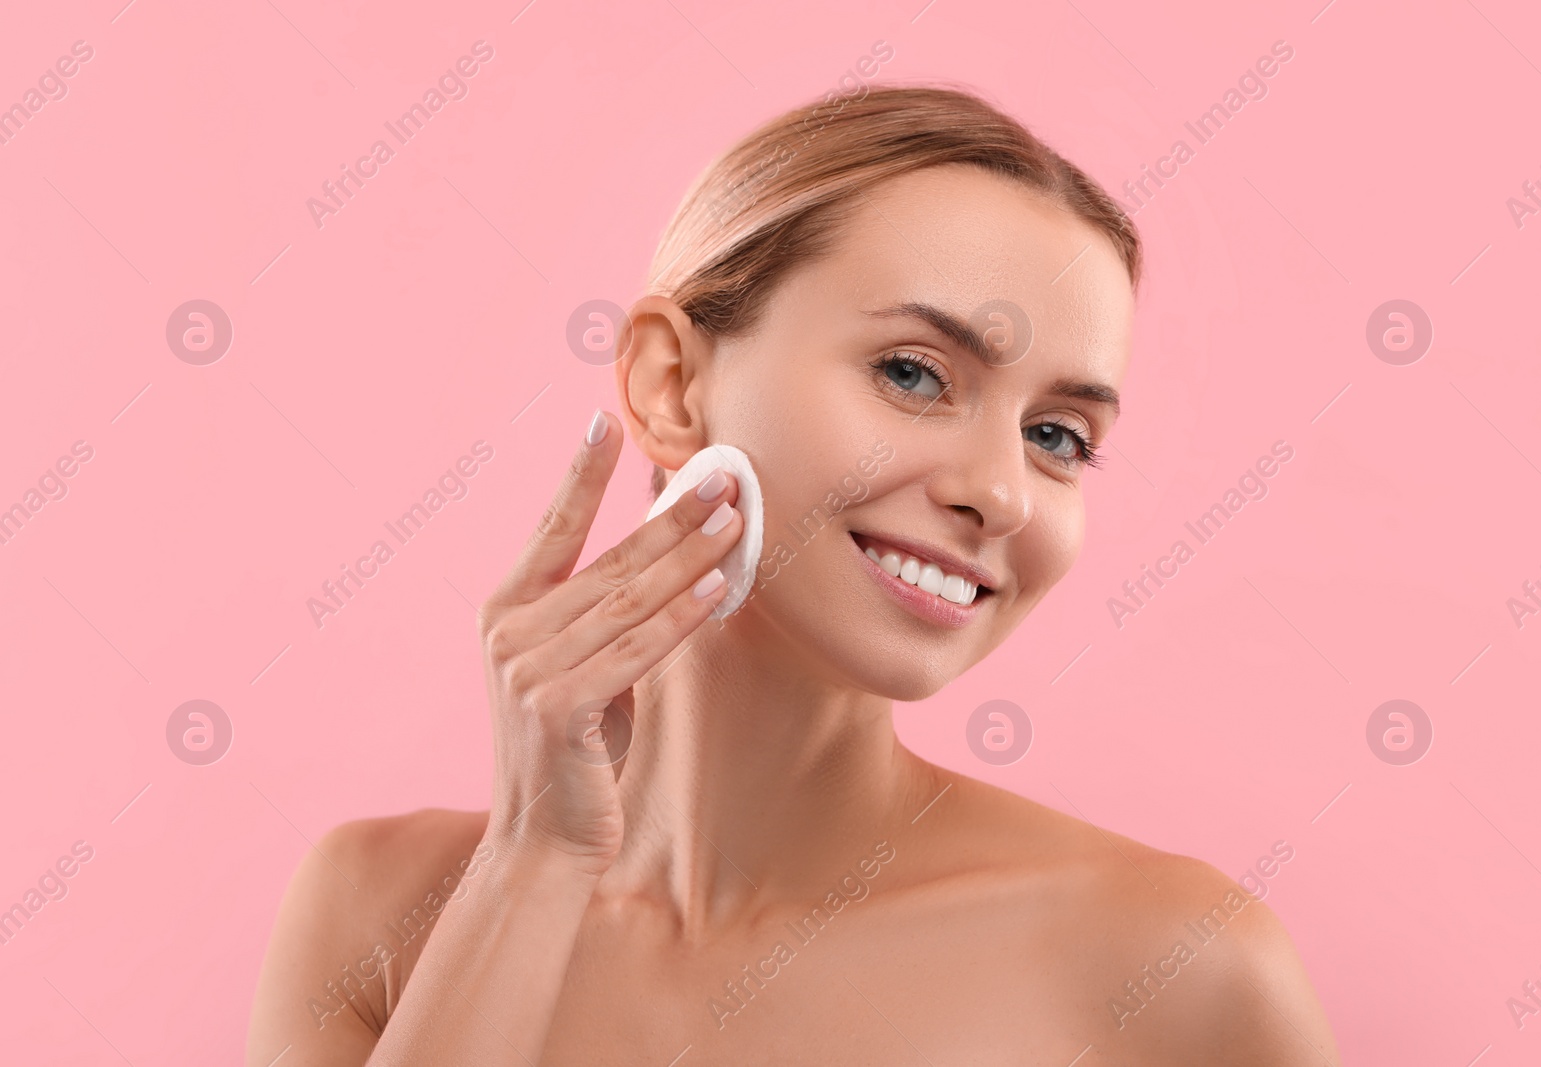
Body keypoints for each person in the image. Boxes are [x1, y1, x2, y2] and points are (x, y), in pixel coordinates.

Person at [247, 82, 1341, 1065]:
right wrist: (531, 861)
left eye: (1057, 436)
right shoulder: (375, 914)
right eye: (914, 373)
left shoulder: (1176, 967)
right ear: (671, 383)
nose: (1000, 492)